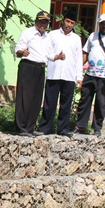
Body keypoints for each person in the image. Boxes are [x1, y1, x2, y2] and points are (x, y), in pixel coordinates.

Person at [35, 9, 83, 138]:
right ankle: (45, 127)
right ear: (63, 20)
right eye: (67, 21)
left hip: (69, 75)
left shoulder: (76, 39)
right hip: (54, 73)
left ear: (74, 25)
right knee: (49, 102)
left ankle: (63, 129)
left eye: (72, 23)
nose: (69, 25)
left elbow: (78, 59)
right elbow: (47, 52)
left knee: (66, 104)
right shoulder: (52, 35)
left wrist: (79, 77)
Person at [14, 11, 61, 137]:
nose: (42, 24)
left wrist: (57, 56)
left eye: (45, 22)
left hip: (40, 68)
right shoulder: (28, 33)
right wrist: (21, 52)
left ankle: (30, 127)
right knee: (25, 98)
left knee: (36, 99)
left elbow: (49, 54)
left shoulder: (47, 37)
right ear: (36, 21)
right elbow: (18, 49)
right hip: (28, 66)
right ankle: (21, 128)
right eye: (40, 21)